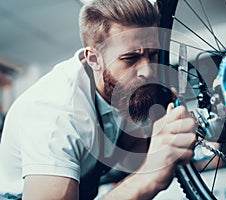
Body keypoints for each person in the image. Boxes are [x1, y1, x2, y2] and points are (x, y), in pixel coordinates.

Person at [0, 0, 196, 199]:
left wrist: (170, 136)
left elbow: (130, 148)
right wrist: (148, 177)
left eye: (152, 54)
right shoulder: (55, 113)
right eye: (130, 58)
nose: (147, 70)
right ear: (94, 59)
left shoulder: (118, 91)